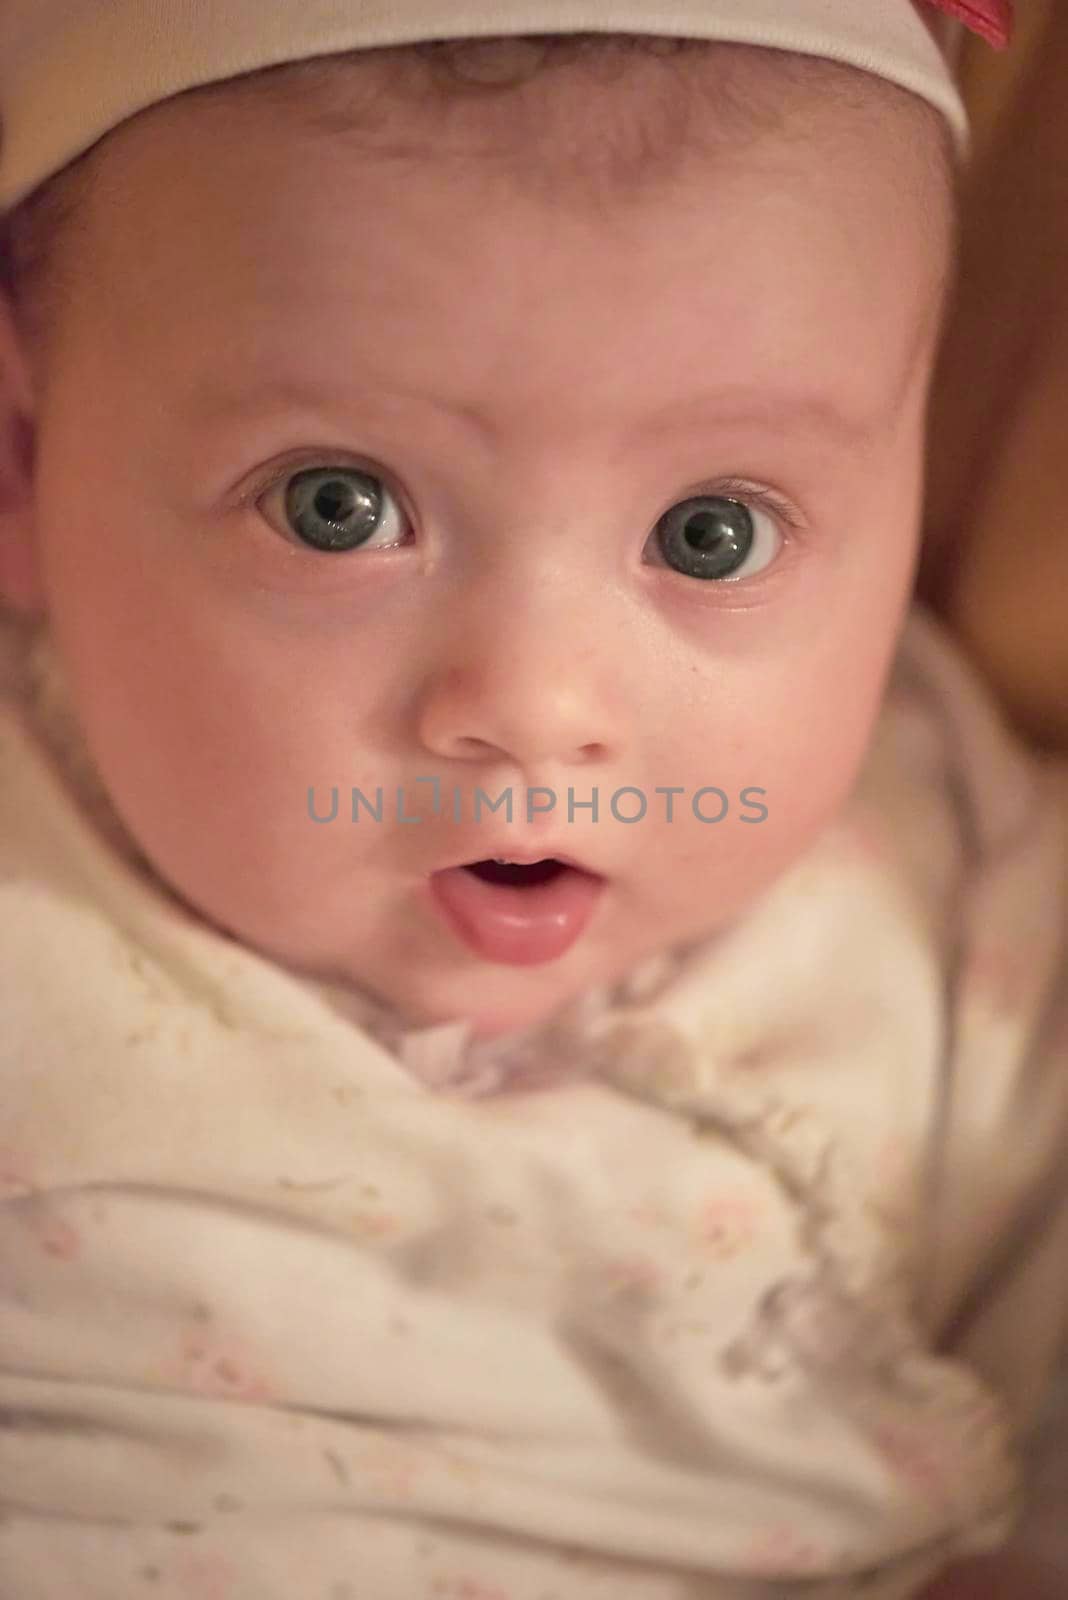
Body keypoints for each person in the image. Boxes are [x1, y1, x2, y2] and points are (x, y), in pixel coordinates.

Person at [0, 3, 1064, 1596]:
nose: (536, 709)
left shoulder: (942, 863)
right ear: (18, 463)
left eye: (715, 531)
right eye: (336, 505)